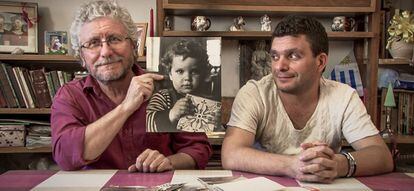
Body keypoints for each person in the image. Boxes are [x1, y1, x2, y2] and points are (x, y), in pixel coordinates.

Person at [221, 15, 393, 183]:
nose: (280, 66)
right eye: (274, 56)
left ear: (320, 62)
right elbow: (231, 154)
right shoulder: (254, 93)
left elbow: (381, 155)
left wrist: (338, 164)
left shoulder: (343, 96)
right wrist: (292, 166)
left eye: (293, 56)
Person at [51, 0, 212, 172]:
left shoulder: (167, 88)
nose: (105, 52)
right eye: (93, 43)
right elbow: (66, 156)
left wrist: (168, 162)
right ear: (82, 57)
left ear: (134, 46)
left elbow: (198, 149)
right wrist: (126, 107)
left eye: (114, 39)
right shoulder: (70, 96)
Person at [146, 39, 220, 133]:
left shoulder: (209, 100)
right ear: (170, 74)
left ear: (203, 74)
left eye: (194, 72)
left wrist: (216, 124)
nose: (187, 78)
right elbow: (148, 123)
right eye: (180, 71)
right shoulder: (162, 97)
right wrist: (171, 115)